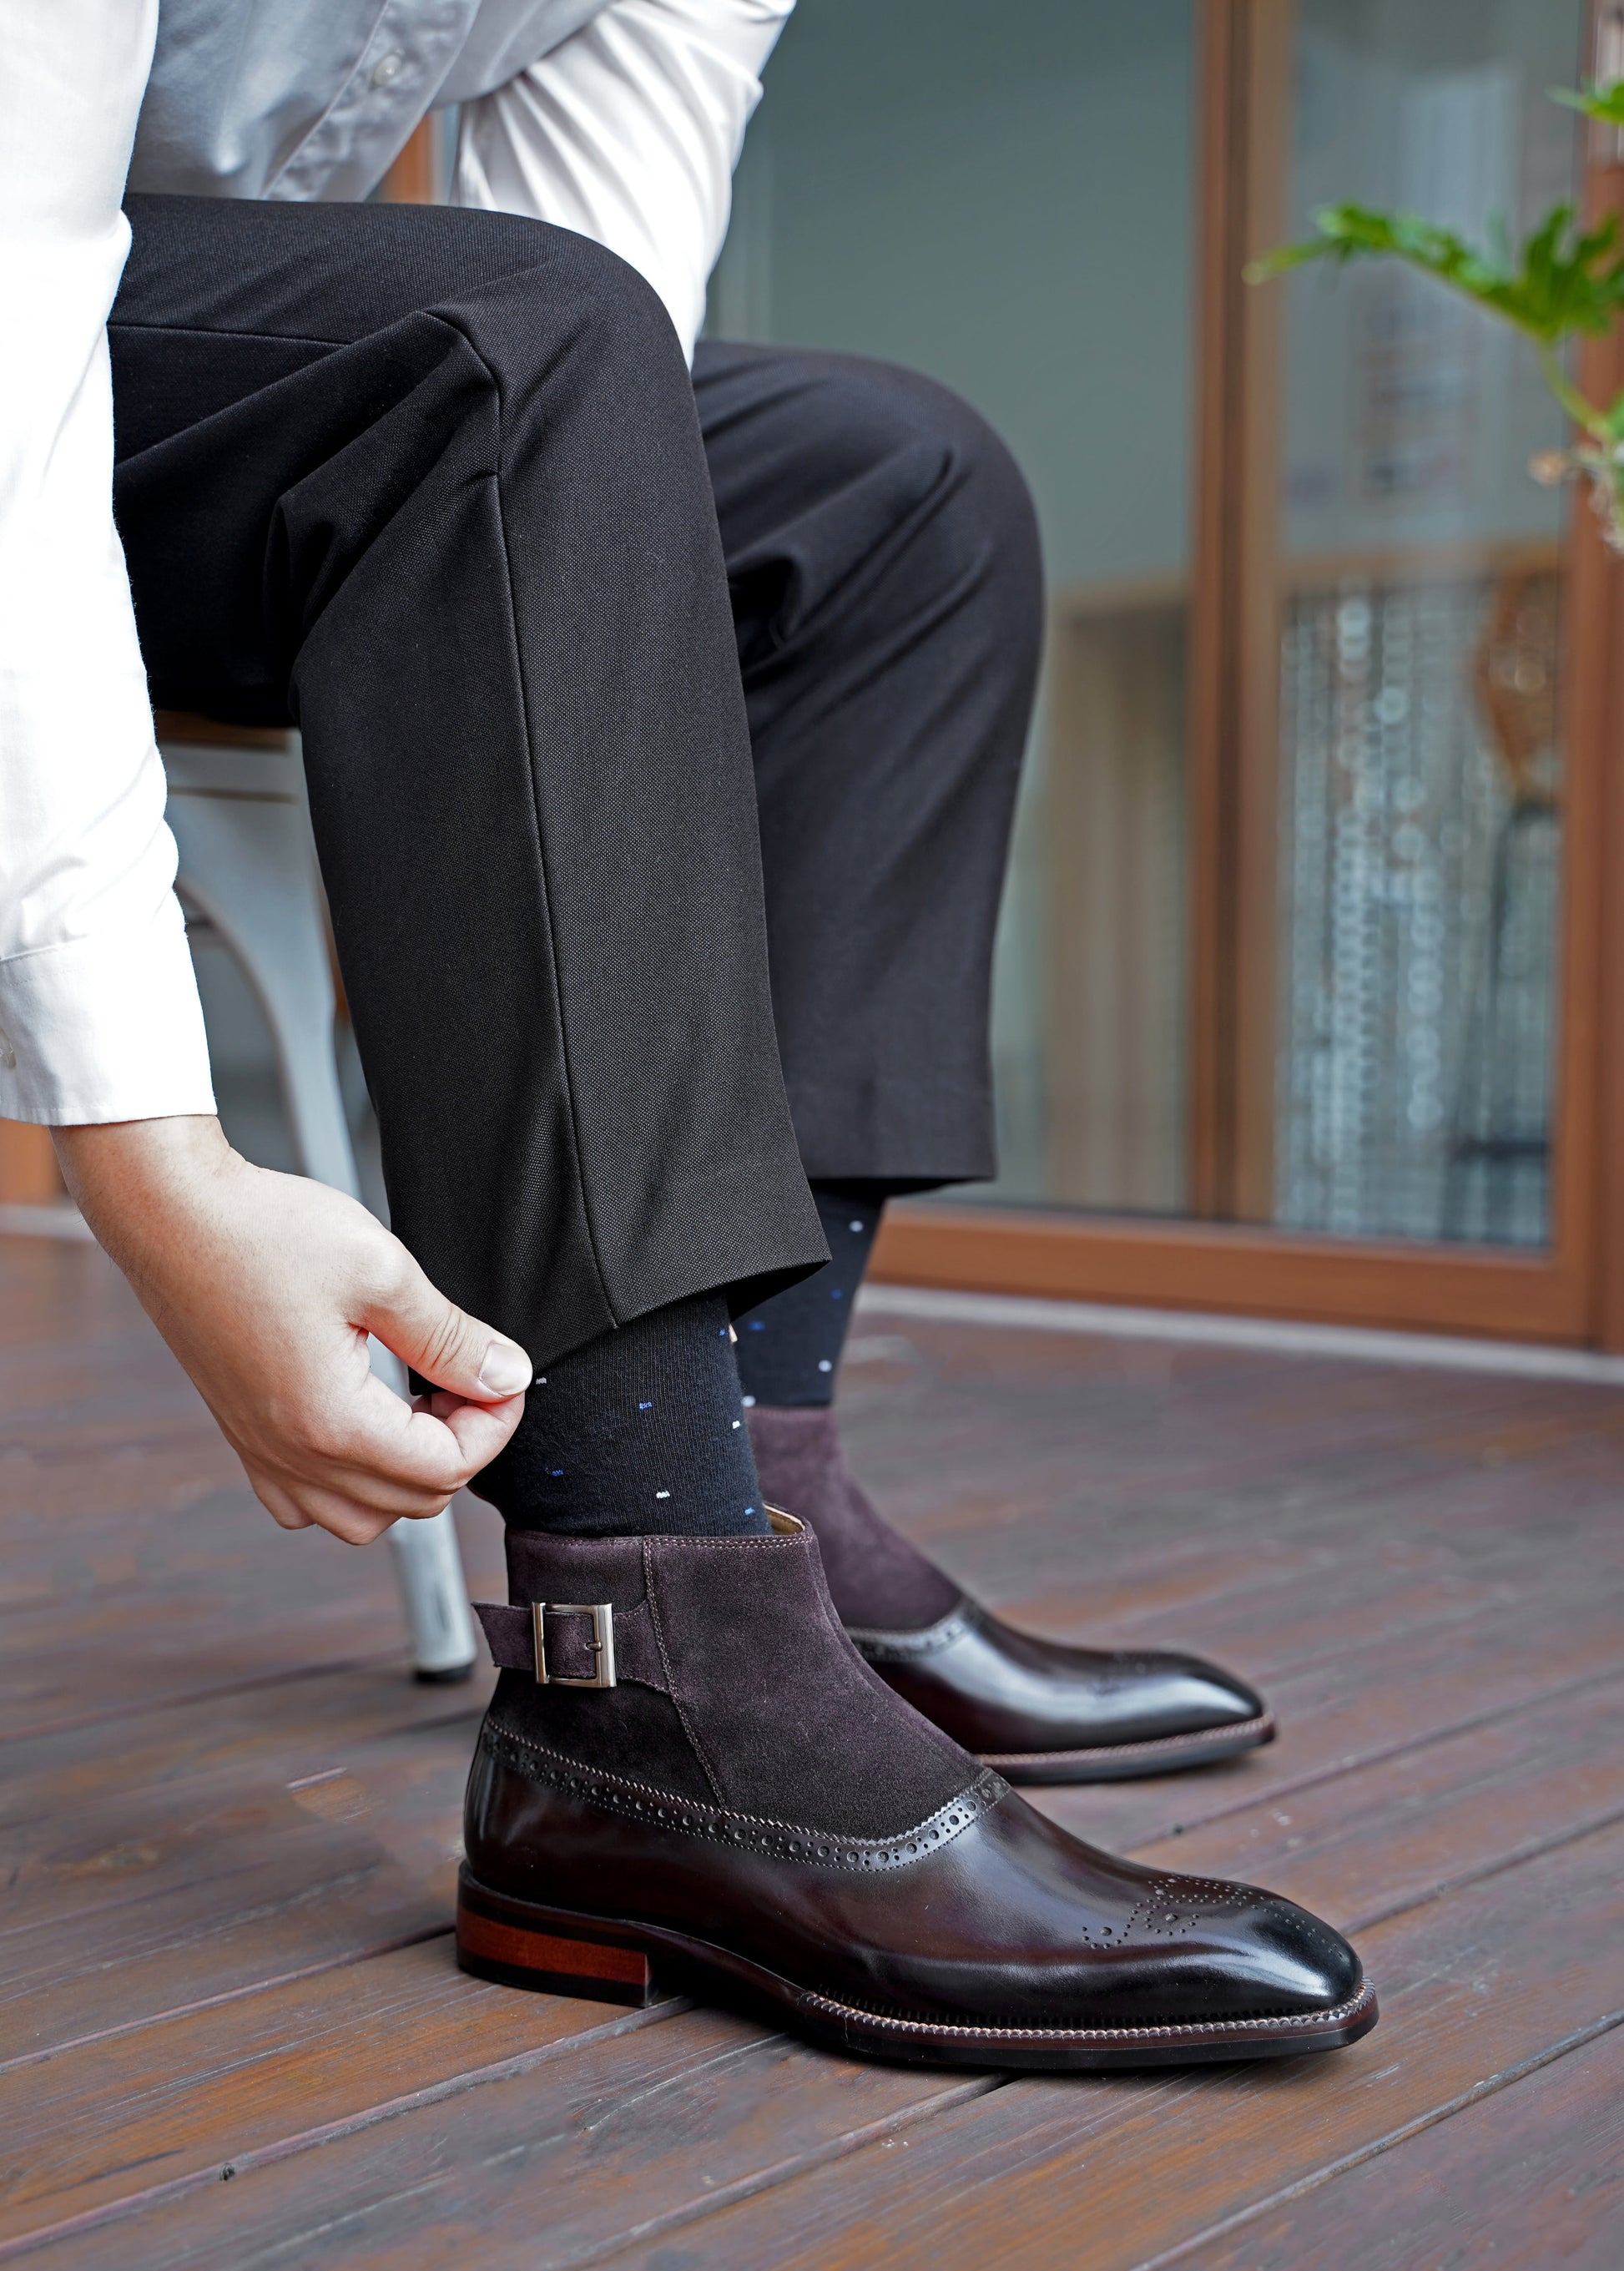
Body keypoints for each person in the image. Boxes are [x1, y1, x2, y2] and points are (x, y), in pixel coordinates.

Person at [0, 0, 1375, 2067]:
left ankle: (757, 1498)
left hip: (160, 379)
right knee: (496, 343)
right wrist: (149, 1149)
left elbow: (607, 380)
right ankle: (644, 1661)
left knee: (891, 490)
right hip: (27, 318)